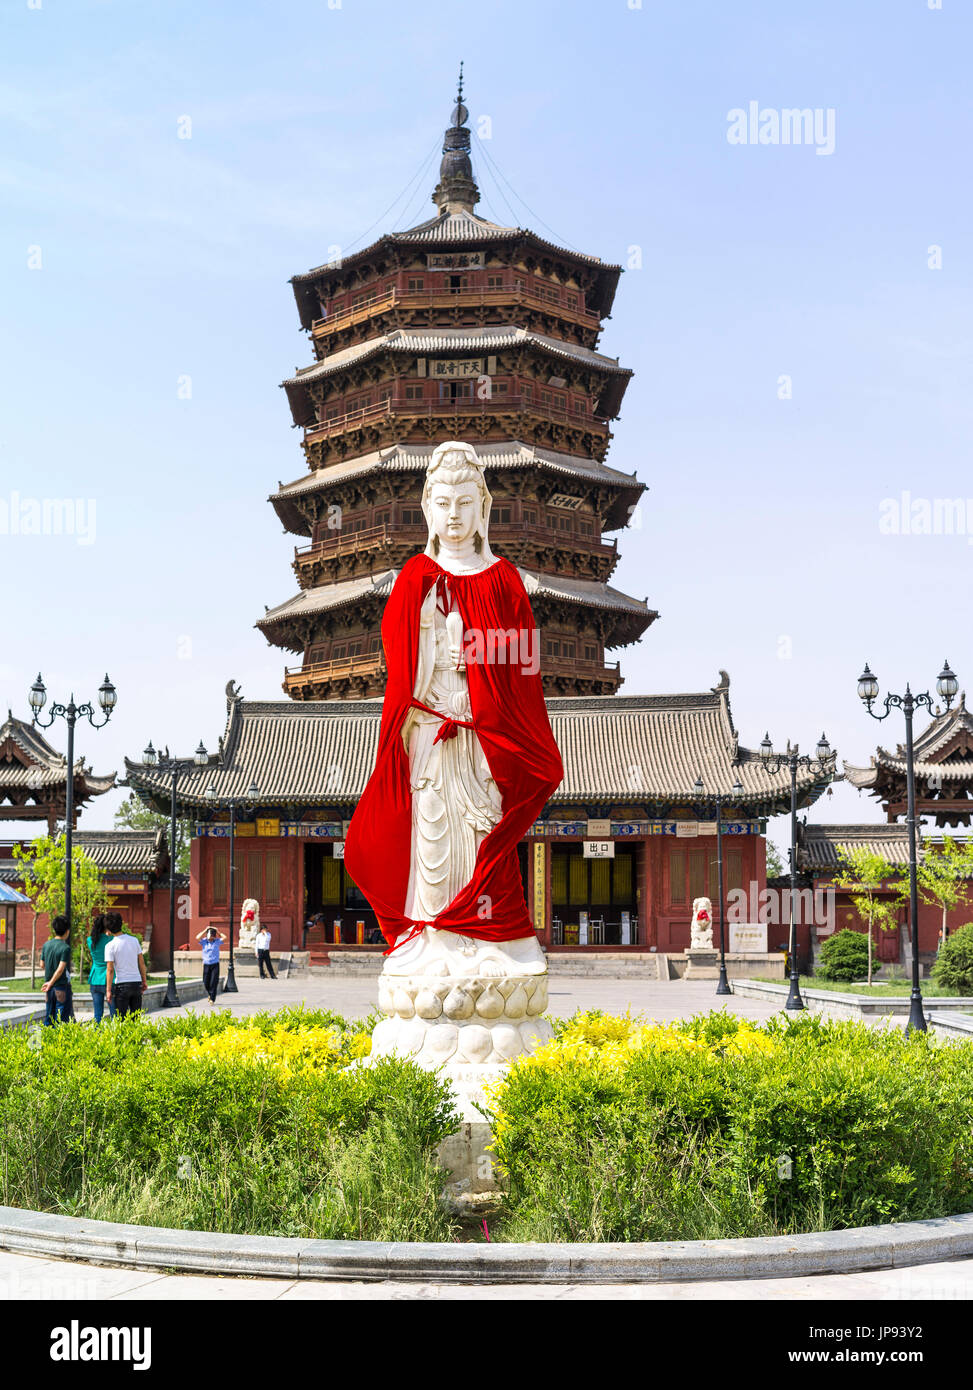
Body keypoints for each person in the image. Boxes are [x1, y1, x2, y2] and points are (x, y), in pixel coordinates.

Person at [105, 913, 147, 1018]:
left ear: (108, 929)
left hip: (121, 985)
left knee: (121, 1020)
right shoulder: (134, 940)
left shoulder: (110, 946)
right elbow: (141, 963)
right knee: (135, 1019)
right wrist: (144, 981)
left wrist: (108, 990)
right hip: (136, 983)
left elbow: (110, 970)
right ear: (121, 924)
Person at [41, 915, 74, 1025]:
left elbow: (42, 964)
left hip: (48, 987)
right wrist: (52, 983)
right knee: (60, 1020)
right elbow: (60, 969)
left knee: (48, 1017)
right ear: (67, 931)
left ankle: (46, 1040)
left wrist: (49, 982)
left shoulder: (46, 945)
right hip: (60, 987)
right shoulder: (65, 948)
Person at [87, 912, 116, 1024]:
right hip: (109, 979)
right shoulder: (111, 940)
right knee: (114, 1013)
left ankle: (97, 1036)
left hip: (95, 978)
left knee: (97, 1015)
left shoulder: (90, 940)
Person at [196, 926, 226, 1002]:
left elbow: (225, 937)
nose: (210, 937)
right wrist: (205, 930)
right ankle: (210, 993)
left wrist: (217, 931)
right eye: (209, 935)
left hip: (215, 964)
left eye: (212, 936)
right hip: (206, 964)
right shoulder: (204, 941)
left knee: (214, 981)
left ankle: (212, 998)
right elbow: (197, 937)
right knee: (205, 982)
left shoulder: (217, 941)